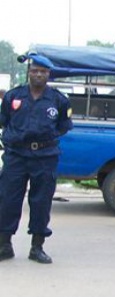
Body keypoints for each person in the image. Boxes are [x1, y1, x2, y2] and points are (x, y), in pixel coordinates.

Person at [0, 53, 73, 264]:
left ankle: (37, 247)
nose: (38, 75)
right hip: (16, 156)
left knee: (41, 201)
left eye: (42, 72)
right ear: (28, 72)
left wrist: (43, 140)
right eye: (34, 71)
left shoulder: (59, 99)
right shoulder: (13, 96)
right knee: (7, 200)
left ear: (48, 74)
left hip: (45, 156)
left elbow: (62, 126)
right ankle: (5, 245)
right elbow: (5, 120)